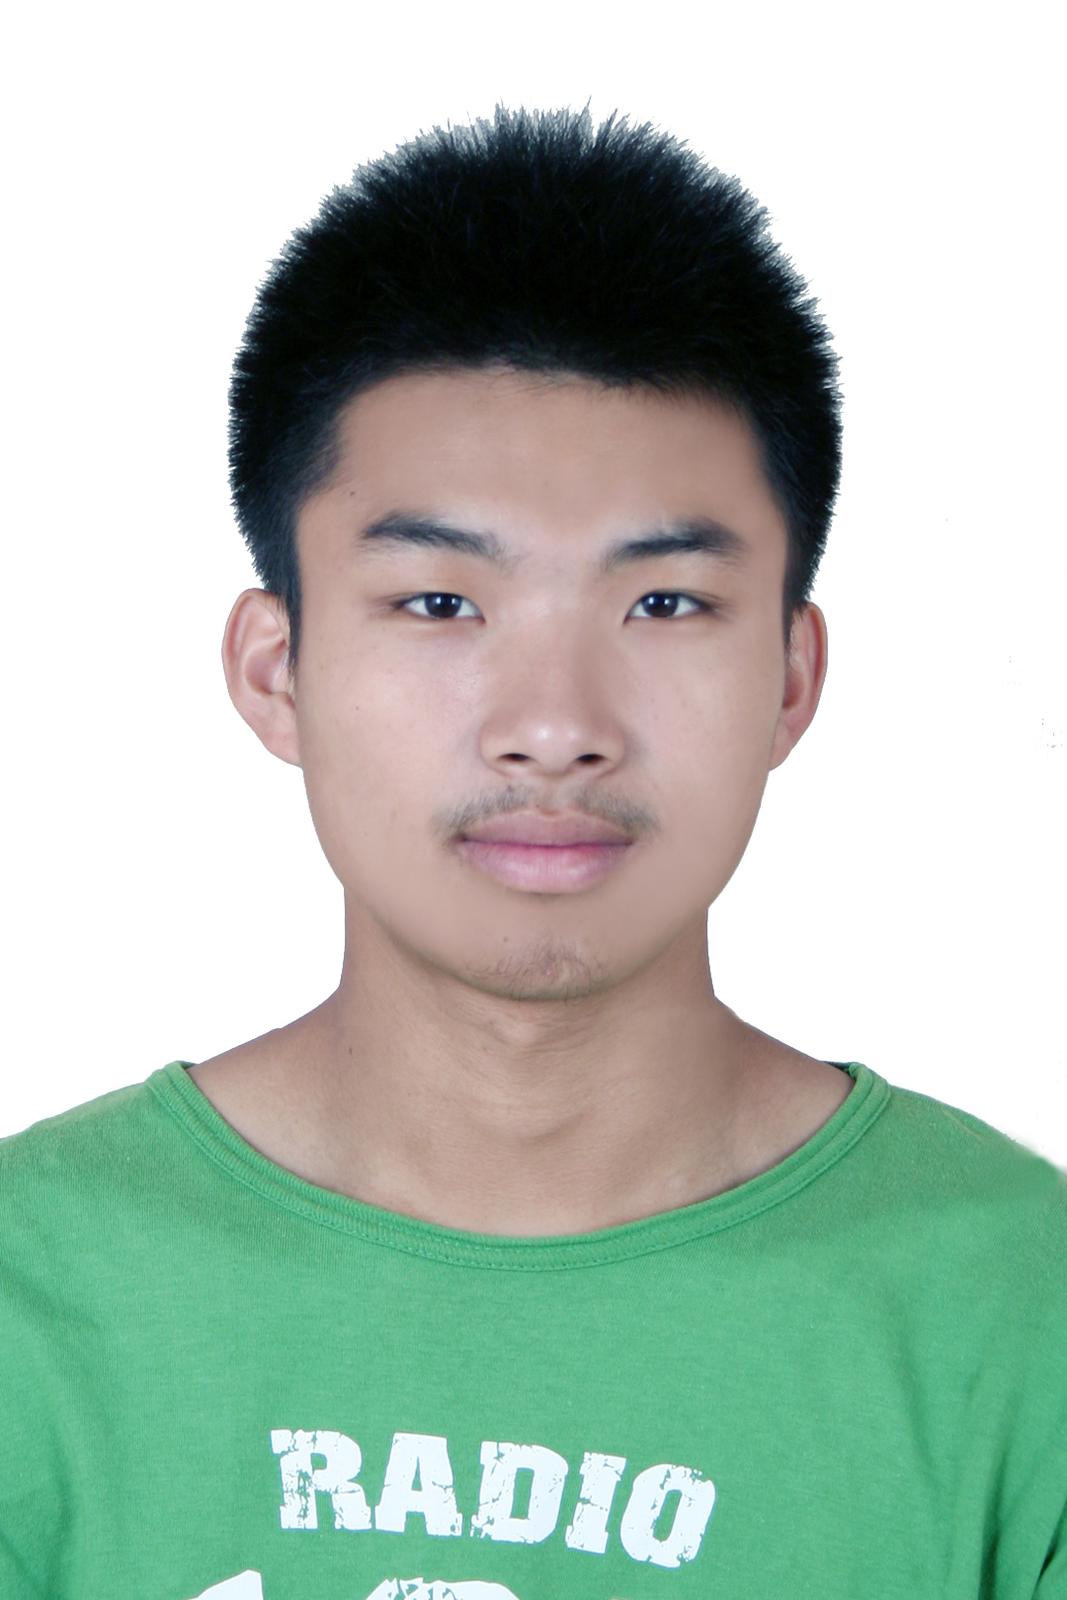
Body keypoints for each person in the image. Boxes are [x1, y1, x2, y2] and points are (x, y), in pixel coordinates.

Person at [2, 103, 1063, 1600]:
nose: (554, 728)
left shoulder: (1022, 1313)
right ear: (275, 670)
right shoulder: (33, 1296)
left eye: (665, 604)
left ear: (792, 678)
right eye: (440, 604)